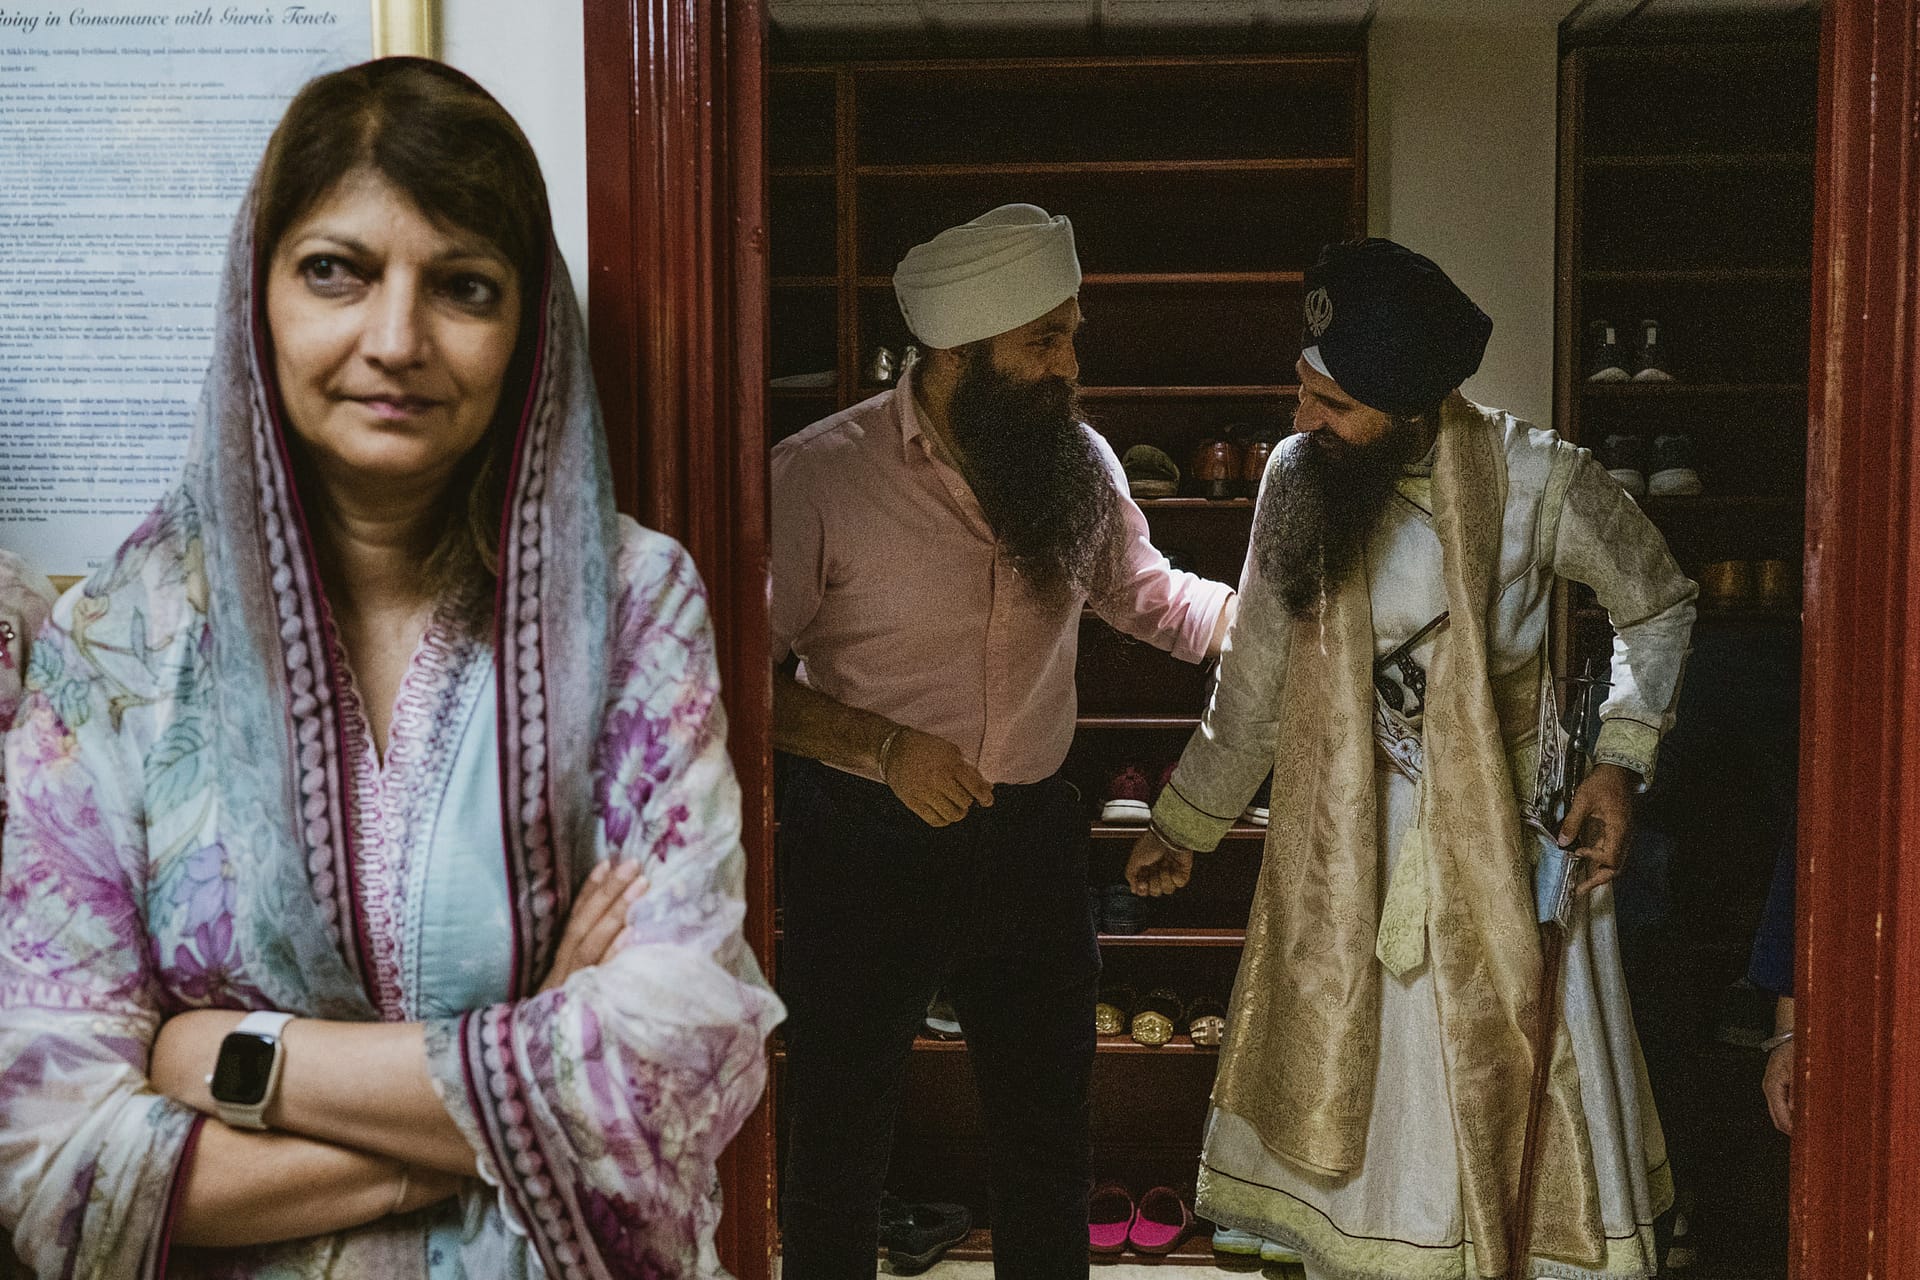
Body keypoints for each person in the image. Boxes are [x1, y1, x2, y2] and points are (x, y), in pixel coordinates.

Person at [0, 59, 781, 1278]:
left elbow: (670, 1063)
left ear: (529, 327)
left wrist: (223, 1058)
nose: (397, 338)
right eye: (336, 271)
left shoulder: (630, 605)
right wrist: (513, 1090)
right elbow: (52, 1157)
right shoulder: (119, 642)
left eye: (464, 285)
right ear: (256, 296)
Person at [1126, 238, 1696, 1280]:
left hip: (1508, 849)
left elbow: (1657, 603)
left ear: (1410, 403)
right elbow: (1256, 679)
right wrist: (1186, 823)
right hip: (1351, 844)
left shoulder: (1539, 479)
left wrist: (1621, 758)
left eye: (1330, 405)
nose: (1301, 422)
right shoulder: (1298, 482)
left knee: (1506, 1135)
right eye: (1301, 391)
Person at [770, 203, 1237, 1277]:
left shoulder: (1076, 459)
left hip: (1028, 835)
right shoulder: (818, 476)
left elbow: (1147, 595)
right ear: (960, 350)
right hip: (864, 838)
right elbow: (727, 678)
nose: (1071, 363)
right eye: (1047, 340)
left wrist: (1267, 617)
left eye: (1072, 331)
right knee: (840, 1131)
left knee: (1046, 1136)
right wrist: (882, 747)